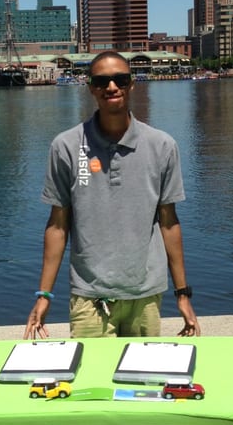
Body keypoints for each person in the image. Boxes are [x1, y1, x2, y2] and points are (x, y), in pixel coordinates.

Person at [24, 50, 201, 339]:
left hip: (145, 294)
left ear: (131, 84)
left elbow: (169, 223)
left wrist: (183, 294)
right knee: (91, 369)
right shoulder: (66, 146)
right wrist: (44, 294)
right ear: (91, 87)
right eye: (101, 81)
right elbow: (57, 225)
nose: (111, 87)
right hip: (89, 296)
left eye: (120, 79)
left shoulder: (162, 146)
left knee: (142, 368)